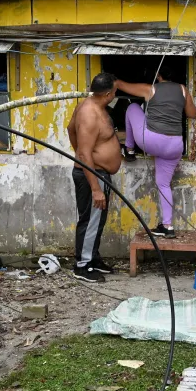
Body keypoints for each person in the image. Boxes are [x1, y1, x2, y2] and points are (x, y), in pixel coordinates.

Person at [116, 66, 196, 238]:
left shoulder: (150, 88)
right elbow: (192, 114)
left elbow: (121, 85)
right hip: (175, 145)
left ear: (158, 75)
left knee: (132, 108)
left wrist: (109, 80)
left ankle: (129, 149)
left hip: (151, 141)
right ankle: (168, 226)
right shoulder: (183, 89)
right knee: (164, 185)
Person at [67, 72, 121, 282]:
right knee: (90, 220)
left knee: (97, 220)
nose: (116, 94)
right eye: (115, 91)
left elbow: (70, 129)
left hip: (98, 172)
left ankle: (93, 257)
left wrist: (81, 151)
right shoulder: (89, 114)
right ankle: (82, 265)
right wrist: (96, 188)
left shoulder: (92, 106)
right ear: (108, 93)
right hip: (93, 175)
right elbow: (84, 152)